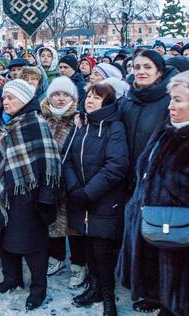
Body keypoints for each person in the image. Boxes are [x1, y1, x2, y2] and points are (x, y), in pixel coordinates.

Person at [118, 71, 189, 315]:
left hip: (186, 252)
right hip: (155, 240)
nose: (170, 106)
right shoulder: (166, 130)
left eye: (178, 100)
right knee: (164, 303)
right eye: (171, 99)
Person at [0, 79, 60, 311]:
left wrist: (46, 196)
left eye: (11, 98)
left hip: (29, 194)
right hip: (4, 191)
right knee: (5, 237)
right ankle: (11, 278)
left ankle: (39, 288)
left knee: (32, 244)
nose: (5, 102)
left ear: (26, 99)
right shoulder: (3, 123)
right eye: (5, 97)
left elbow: (50, 163)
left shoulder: (36, 123)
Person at [62, 83, 128, 315]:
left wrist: (89, 192)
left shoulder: (114, 127)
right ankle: (94, 288)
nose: (89, 100)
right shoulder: (81, 123)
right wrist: (73, 187)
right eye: (88, 95)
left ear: (107, 103)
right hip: (80, 197)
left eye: (97, 97)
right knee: (87, 246)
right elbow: (67, 157)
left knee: (102, 250)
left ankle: (109, 297)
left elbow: (117, 165)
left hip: (103, 199)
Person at [40, 77, 83, 282]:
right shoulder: (43, 117)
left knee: (74, 225)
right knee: (53, 221)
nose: (60, 98)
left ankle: (78, 263)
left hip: (72, 178)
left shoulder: (79, 119)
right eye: (57, 94)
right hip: (49, 178)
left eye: (65, 94)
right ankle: (55, 257)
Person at [119, 50, 177, 192]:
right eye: (137, 67)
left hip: (155, 178)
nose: (141, 71)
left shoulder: (170, 101)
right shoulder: (127, 100)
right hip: (126, 177)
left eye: (148, 67)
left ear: (159, 72)